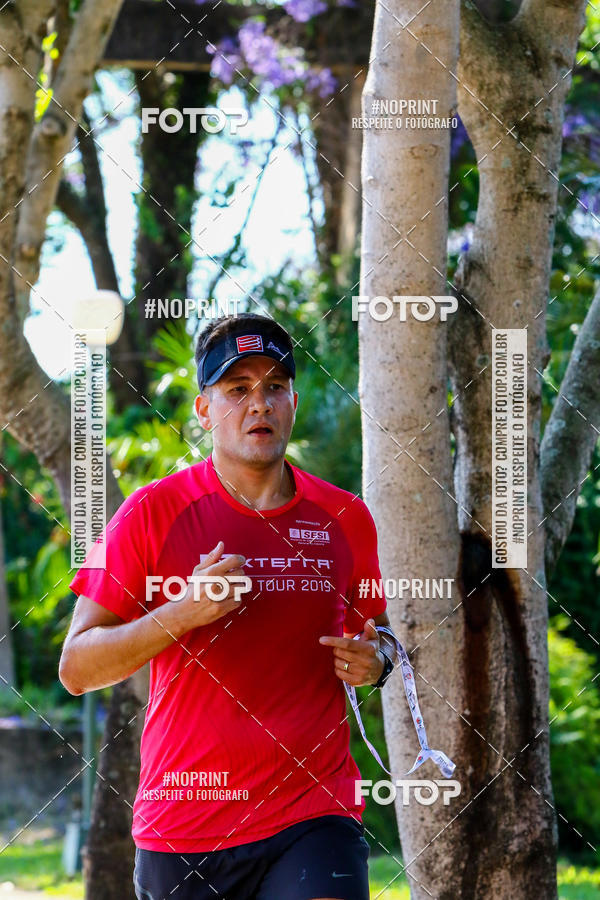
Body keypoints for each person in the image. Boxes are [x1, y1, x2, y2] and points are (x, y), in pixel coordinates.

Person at [59, 312, 402, 900]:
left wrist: (378, 662)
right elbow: (76, 668)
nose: (259, 405)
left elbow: (383, 637)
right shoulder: (150, 512)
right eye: (237, 390)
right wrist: (182, 613)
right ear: (203, 409)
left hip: (313, 810)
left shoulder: (345, 517)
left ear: (293, 401)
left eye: (273, 388)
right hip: (185, 826)